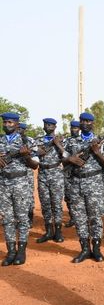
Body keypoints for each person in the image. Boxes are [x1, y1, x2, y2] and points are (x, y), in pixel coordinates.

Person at [63, 112, 104, 263]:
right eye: (82, 121)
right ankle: (84, 249)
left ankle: (96, 249)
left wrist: (97, 152)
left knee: (95, 217)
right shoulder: (70, 142)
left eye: (88, 121)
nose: (84, 124)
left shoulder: (101, 142)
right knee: (79, 218)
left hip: (94, 183)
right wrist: (70, 158)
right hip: (75, 184)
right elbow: (63, 160)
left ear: (93, 124)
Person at [0, 112, 39, 266]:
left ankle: (21, 251)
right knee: (7, 219)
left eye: (10, 122)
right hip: (3, 184)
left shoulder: (27, 141)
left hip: (21, 183)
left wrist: (26, 157)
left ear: (17, 124)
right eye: (4, 122)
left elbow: (35, 165)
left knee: (22, 218)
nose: (6, 125)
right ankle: (10, 251)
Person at [34, 118, 66, 243]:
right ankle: (48, 231)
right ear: (43, 127)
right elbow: (39, 152)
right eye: (46, 125)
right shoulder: (38, 141)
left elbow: (65, 154)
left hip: (56, 174)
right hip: (43, 174)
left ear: (55, 127)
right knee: (45, 204)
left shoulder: (62, 140)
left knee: (57, 204)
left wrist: (58, 143)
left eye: (51, 125)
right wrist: (51, 143)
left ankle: (58, 232)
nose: (48, 127)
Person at [17, 123, 36, 227]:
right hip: (15, 172)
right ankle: (17, 219)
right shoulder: (11, 140)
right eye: (18, 128)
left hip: (27, 171)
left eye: (21, 129)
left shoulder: (30, 141)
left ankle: (29, 216)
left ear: (25, 130)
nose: (19, 130)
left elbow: (36, 155)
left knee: (28, 195)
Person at [63, 121, 80, 228]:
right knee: (68, 197)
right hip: (68, 173)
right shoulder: (67, 141)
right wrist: (69, 158)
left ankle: (81, 217)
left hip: (80, 173)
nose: (73, 130)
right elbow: (63, 155)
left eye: (75, 128)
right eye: (72, 128)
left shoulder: (83, 140)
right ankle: (73, 217)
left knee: (81, 197)